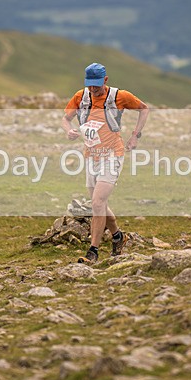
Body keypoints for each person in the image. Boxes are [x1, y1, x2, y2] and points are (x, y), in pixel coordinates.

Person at [61, 62, 149, 264]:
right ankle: (118, 237)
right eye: (89, 85)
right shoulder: (80, 96)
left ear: (105, 80)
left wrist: (135, 136)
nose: (93, 90)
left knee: (97, 203)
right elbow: (66, 119)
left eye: (97, 86)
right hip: (91, 156)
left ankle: (93, 251)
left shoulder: (119, 96)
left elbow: (144, 109)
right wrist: (69, 130)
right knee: (98, 204)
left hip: (112, 155)